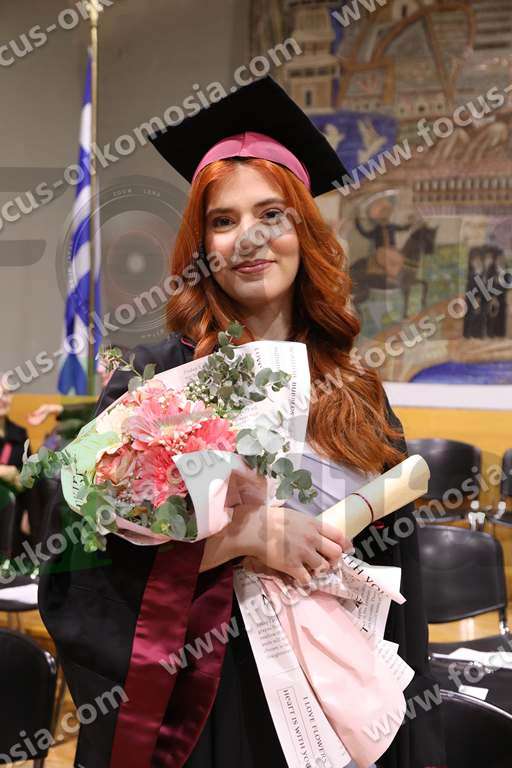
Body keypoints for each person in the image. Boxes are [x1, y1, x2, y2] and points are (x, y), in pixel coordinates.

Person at [39, 76, 445, 768]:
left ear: (304, 231)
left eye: (271, 214)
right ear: (202, 245)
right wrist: (239, 538)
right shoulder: (157, 379)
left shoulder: (354, 391)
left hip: (333, 697)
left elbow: (398, 578)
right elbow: (74, 546)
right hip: (204, 699)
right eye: (223, 221)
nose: (248, 239)